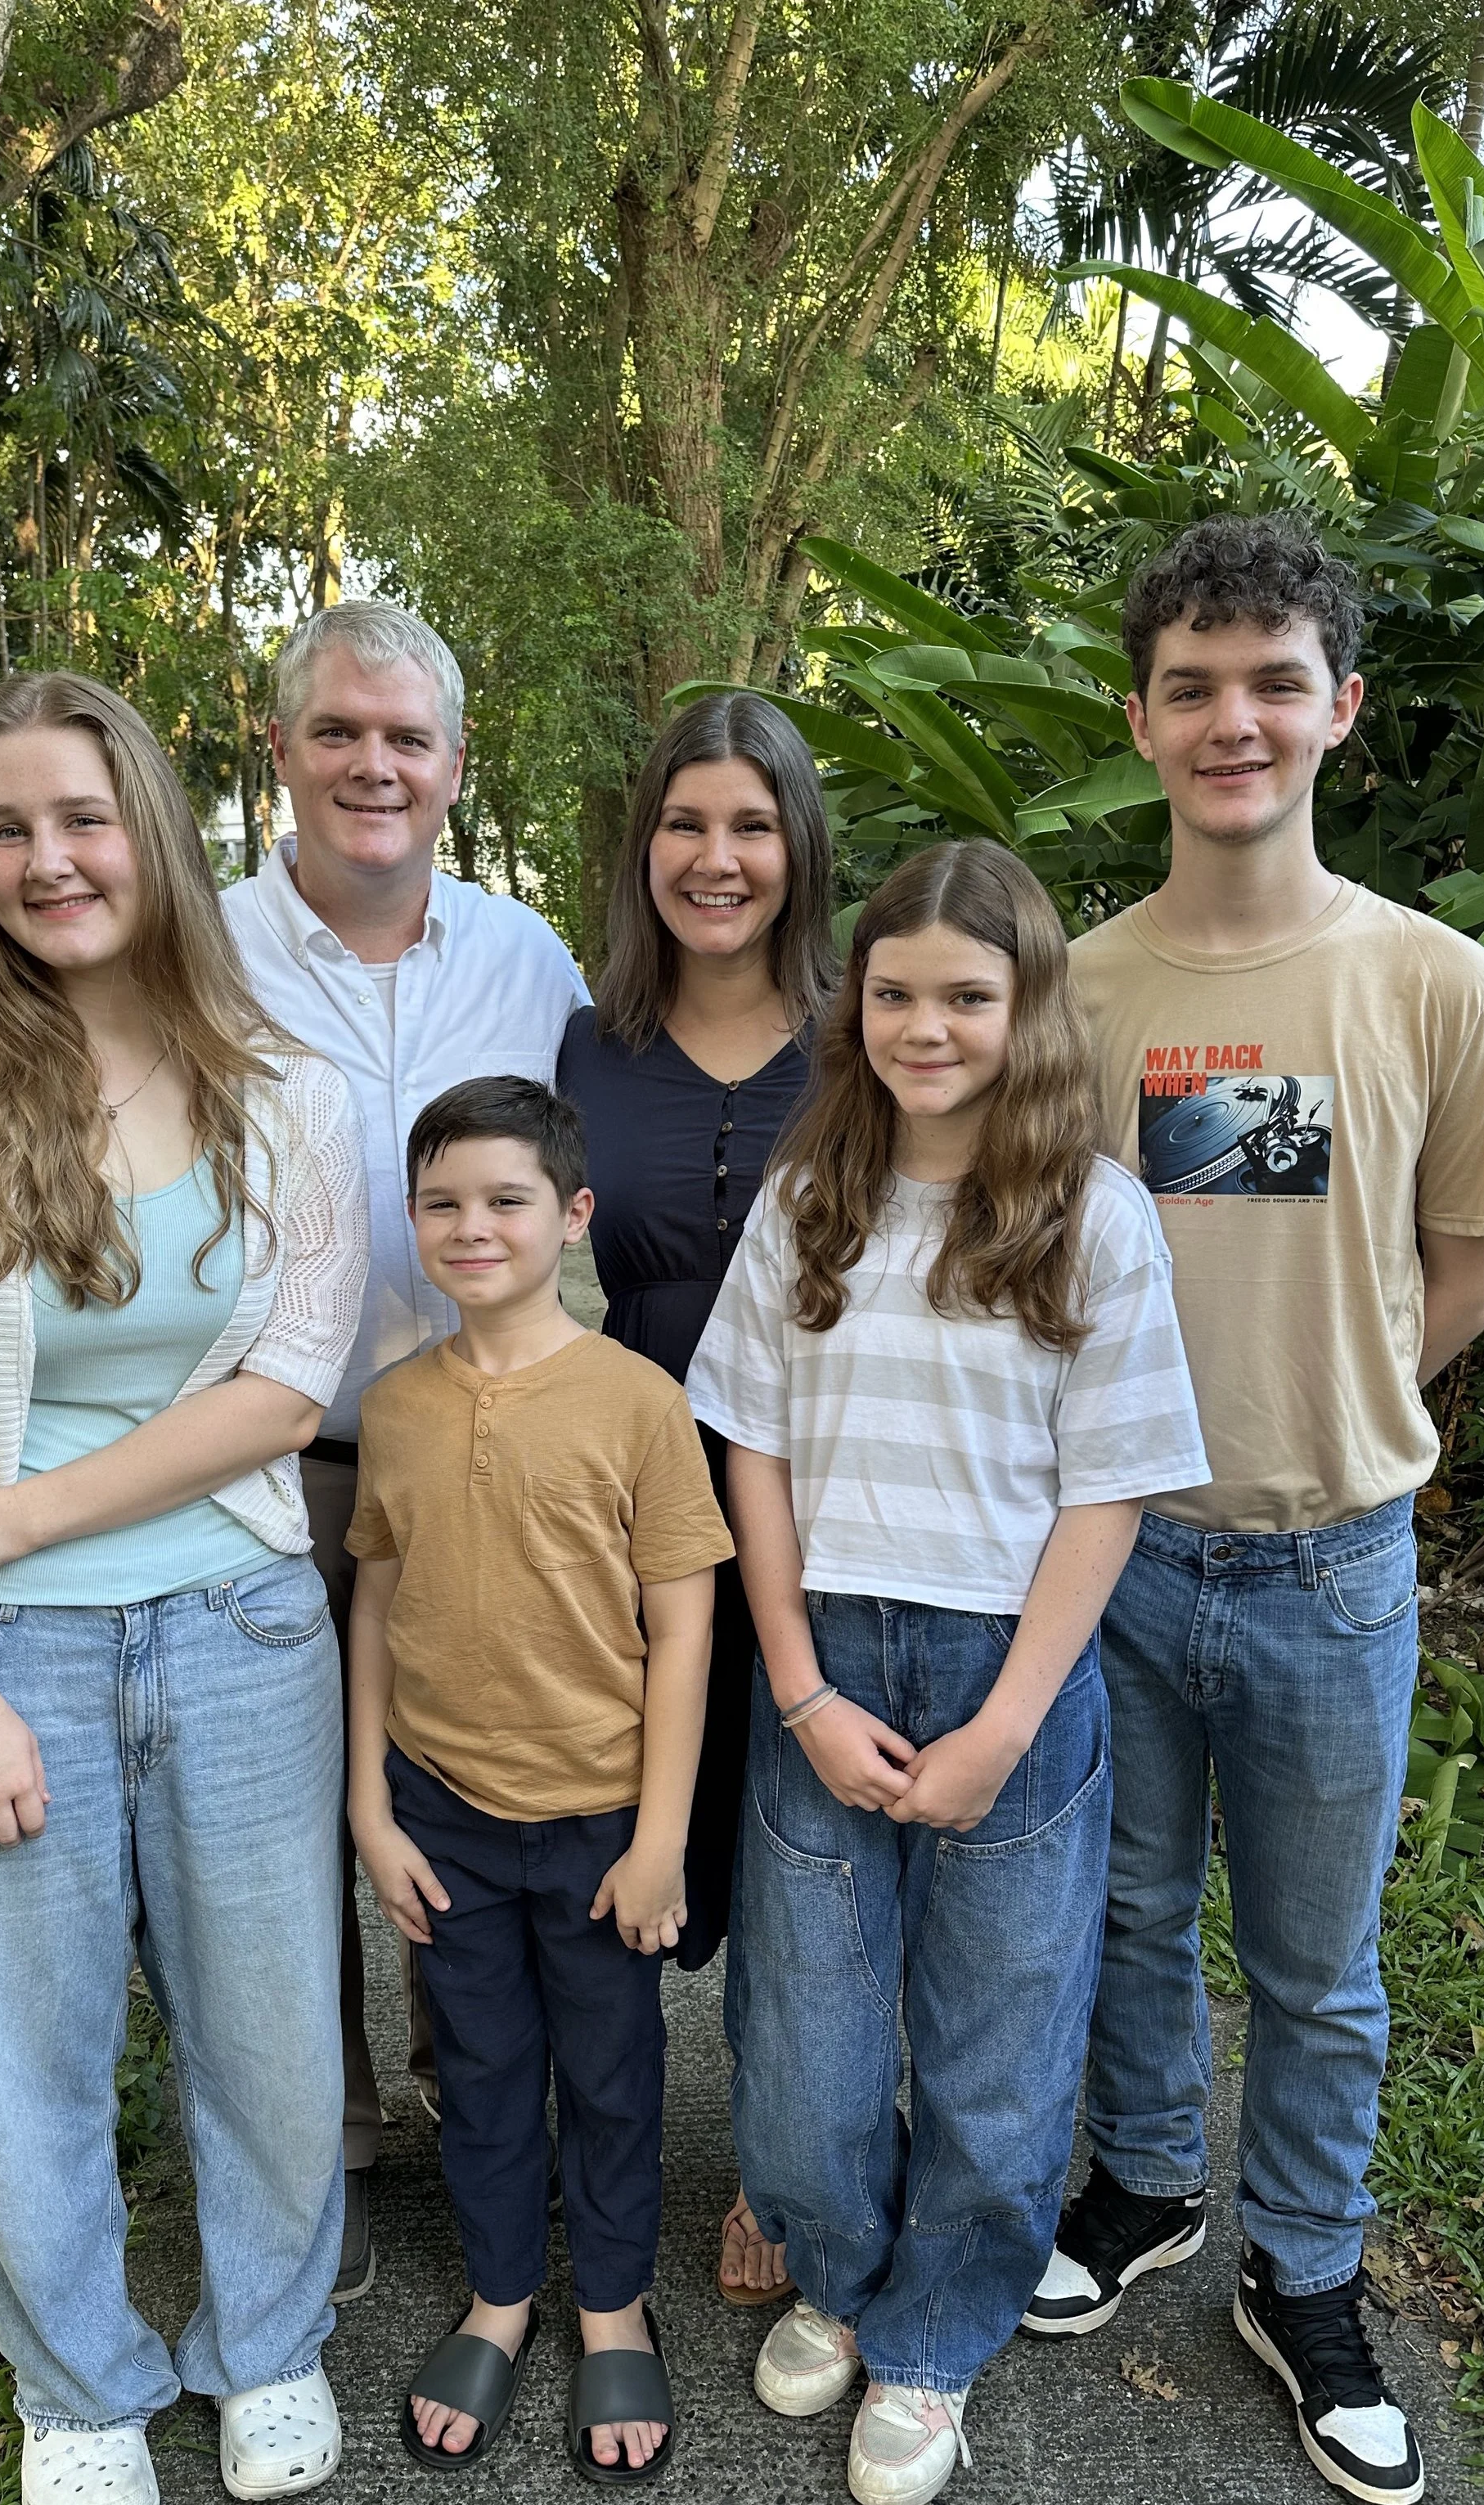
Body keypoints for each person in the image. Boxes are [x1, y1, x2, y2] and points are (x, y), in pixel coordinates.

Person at [1025, 513, 1484, 2505]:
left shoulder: (1429, 982)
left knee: (1318, 1965)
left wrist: (1337, 1398)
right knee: (1132, 1910)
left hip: (1334, 1562)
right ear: (1139, 718)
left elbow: (1473, 1256)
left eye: (1267, 682)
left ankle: (1305, 2270)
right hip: (1125, 1555)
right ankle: (1145, 2182)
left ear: (1334, 707)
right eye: (1187, 685)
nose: (1227, 719)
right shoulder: (1073, 992)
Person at [0, 672, 369, 2505]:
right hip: (3, 1655)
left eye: (79, 816)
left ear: (153, 827)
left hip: (240, 1629)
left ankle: (269, 2340)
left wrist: (16, 1515)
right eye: (2, 829)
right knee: (19, 2035)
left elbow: (283, 1399)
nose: (46, 859)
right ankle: (77, 2381)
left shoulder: (283, 1093)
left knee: (272, 2024)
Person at [686, 840, 1209, 2505]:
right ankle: (838, 2276)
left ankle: (935, 2331)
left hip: (1010, 1666)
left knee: (994, 2031)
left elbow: (1106, 1487)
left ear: (1023, 1008)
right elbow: (748, 1448)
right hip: (824, 1651)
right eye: (893, 993)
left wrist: (1001, 1723)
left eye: (965, 997)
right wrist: (795, 1686)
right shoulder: (806, 1201)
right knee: (813, 2029)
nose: (925, 1026)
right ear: (855, 1006)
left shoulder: (1088, 1216)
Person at [223, 602, 591, 2300]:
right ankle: (323, 2117)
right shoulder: (192, 948)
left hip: (473, 1448)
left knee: (456, 1769)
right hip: (254, 1448)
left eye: (408, 737)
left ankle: (473, 2084)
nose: (375, 763)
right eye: (340, 730)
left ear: (453, 765)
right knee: (278, 1806)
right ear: (279, 746)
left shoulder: (531, 961)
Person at [344, 1077, 732, 2479]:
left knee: (616, 2073)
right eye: (442, 1203)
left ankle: (612, 2302)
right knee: (486, 2071)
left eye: (506, 1200)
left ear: (571, 1214)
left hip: (600, 1821)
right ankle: (503, 2295)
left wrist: (662, 1840)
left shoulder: (638, 1404)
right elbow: (377, 1607)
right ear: (414, 1220)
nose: (473, 1227)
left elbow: (685, 1625)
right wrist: (370, 1809)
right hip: (444, 1812)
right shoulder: (395, 1408)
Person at [556, 690, 837, 2309]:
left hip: (821, 1485)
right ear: (642, 843)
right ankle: (587, 2133)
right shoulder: (590, 1038)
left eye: (746, 823)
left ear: (795, 843)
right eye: (682, 822)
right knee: (631, 1811)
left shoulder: (863, 1029)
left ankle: (780, 2166)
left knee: (795, 1829)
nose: (713, 857)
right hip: (633, 1486)